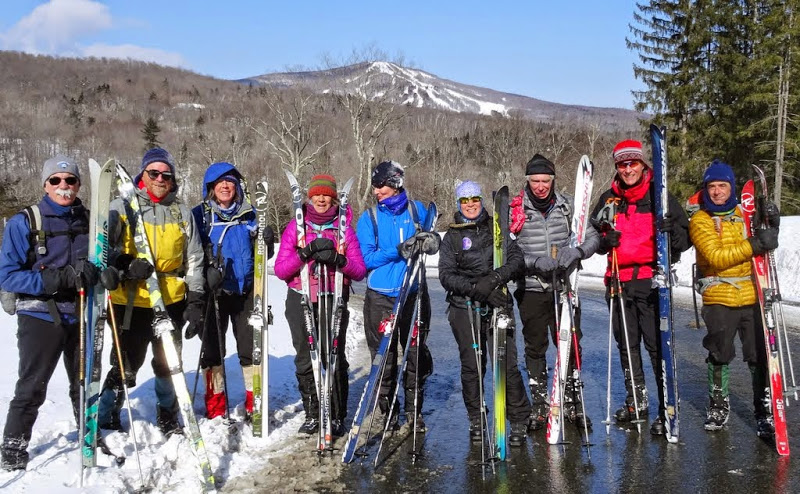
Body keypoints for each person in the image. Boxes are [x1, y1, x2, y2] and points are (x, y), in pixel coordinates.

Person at [97, 147, 205, 436]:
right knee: (125, 363)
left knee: (168, 361)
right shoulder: (122, 208)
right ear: (142, 175)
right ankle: (106, 414)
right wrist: (127, 265)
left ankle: (168, 415)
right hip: (130, 300)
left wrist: (195, 299)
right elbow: (103, 252)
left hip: (170, 298)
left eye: (165, 174)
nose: (160, 179)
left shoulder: (180, 211)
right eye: (153, 173)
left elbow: (194, 258)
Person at [0, 156, 99, 471]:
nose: (64, 187)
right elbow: (7, 275)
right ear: (45, 184)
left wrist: (109, 273)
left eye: (70, 180)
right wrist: (52, 279)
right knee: (32, 385)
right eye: (56, 180)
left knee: (83, 384)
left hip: (83, 312)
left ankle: (88, 438)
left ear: (78, 184)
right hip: (40, 313)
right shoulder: (25, 221)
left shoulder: (91, 221)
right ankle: (13, 449)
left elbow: (106, 258)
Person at [590, 139, 690, 436]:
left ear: (644, 165)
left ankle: (665, 406)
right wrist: (604, 242)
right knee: (627, 346)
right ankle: (637, 400)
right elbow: (595, 236)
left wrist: (672, 232)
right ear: (617, 168)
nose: (629, 169)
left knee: (656, 346)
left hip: (650, 280)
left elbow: (684, 242)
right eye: (623, 164)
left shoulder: (659, 196)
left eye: (633, 163)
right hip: (618, 281)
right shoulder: (610, 199)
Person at [509, 154, 599, 432]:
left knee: (570, 346)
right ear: (528, 180)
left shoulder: (567, 205)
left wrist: (578, 251)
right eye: (534, 180)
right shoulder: (516, 209)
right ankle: (540, 406)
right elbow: (506, 252)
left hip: (564, 289)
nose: (540, 186)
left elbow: (593, 237)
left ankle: (573, 403)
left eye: (545, 180)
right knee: (535, 349)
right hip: (532, 289)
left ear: (553, 180)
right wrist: (534, 262)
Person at [689, 160, 779, 436]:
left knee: (759, 355)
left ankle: (763, 408)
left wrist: (771, 226)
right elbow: (715, 256)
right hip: (718, 293)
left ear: (732, 187)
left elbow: (765, 245)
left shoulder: (745, 214)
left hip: (752, 294)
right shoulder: (700, 219)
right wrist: (754, 244)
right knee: (719, 353)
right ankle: (718, 403)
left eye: (722, 186)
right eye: (712, 187)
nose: (717, 192)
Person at [439, 180, 531, 446]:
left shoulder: (497, 230)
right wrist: (475, 288)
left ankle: (518, 418)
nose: (470, 205)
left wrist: (493, 280)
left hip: (498, 302)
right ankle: (476, 417)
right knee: (472, 366)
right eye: (465, 201)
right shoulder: (452, 237)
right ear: (459, 204)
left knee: (506, 364)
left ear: (481, 201)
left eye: (475, 199)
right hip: (463, 307)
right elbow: (445, 274)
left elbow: (516, 260)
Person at [275, 174, 366, 436]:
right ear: (310, 197)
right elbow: (281, 269)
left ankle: (336, 414)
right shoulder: (296, 227)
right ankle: (314, 413)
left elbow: (360, 270)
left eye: (327, 194)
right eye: (317, 195)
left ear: (334, 198)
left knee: (333, 355)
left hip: (333, 295)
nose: (322, 199)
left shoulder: (344, 229)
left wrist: (339, 260)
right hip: (301, 296)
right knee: (306, 356)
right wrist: (304, 254)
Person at [355, 160, 439, 432]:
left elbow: (431, 236)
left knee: (415, 354)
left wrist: (431, 242)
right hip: (381, 298)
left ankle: (414, 410)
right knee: (384, 357)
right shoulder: (369, 218)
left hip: (414, 293)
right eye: (375, 186)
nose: (376, 191)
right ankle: (386, 410)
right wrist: (398, 249)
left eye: (381, 185)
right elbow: (366, 258)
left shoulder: (418, 210)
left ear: (395, 184)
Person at [191, 162, 274, 421]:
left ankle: (253, 401)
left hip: (245, 291)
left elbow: (260, 256)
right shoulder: (199, 216)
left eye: (230, 182)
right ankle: (215, 405)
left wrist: (266, 243)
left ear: (237, 187)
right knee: (213, 352)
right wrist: (206, 273)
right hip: (213, 293)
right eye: (220, 182)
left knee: (250, 349)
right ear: (211, 188)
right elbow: (190, 253)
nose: (226, 186)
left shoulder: (249, 215)